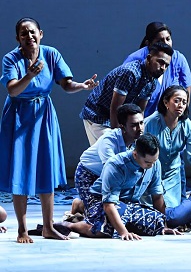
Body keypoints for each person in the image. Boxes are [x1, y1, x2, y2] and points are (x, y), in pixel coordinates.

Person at [1, 17, 99, 243]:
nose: (29, 36)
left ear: (41, 34)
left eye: (32, 32)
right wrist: (30, 75)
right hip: (19, 116)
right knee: (21, 171)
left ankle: (48, 227)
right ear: (17, 38)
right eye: (24, 33)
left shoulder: (51, 54)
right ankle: (22, 229)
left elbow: (66, 84)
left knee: (46, 168)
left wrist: (82, 86)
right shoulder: (11, 59)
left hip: (43, 115)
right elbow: (13, 90)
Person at [56, 133, 181, 240]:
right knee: (104, 229)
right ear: (135, 154)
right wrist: (123, 232)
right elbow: (109, 204)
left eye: (154, 161)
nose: (151, 165)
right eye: (148, 162)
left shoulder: (154, 164)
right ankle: (69, 225)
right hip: (101, 200)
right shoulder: (116, 165)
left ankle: (82, 206)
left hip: (128, 205)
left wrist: (162, 225)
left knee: (154, 221)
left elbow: (157, 196)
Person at [80, 41, 173, 145]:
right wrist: (119, 138)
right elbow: (115, 108)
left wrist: (138, 135)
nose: (163, 68)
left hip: (117, 119)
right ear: (148, 58)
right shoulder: (130, 72)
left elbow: (140, 110)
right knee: (112, 150)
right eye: (160, 62)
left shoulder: (152, 81)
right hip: (97, 115)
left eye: (166, 65)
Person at [70, 103, 145, 221]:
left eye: (141, 123)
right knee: (103, 216)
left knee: (122, 211)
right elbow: (111, 170)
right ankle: (80, 205)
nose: (140, 128)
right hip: (89, 175)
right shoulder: (109, 140)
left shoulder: (139, 140)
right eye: (134, 125)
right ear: (122, 127)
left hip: (114, 177)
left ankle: (86, 205)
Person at [144, 84, 191, 208]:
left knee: (172, 210)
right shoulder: (151, 122)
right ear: (166, 102)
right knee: (151, 209)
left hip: (172, 175)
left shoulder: (187, 125)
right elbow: (138, 151)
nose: (181, 105)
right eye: (177, 101)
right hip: (150, 174)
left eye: (184, 102)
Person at [122, 21, 191, 118]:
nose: (166, 43)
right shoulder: (134, 60)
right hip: (140, 118)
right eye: (160, 40)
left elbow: (186, 90)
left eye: (168, 39)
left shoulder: (179, 59)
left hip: (168, 118)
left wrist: (181, 117)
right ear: (149, 44)